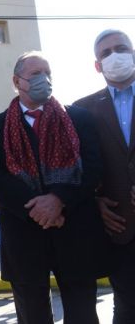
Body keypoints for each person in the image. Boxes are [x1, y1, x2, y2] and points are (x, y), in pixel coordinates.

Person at [0, 51, 107, 324]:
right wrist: (38, 207)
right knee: (32, 314)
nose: (43, 79)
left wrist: (59, 200)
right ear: (17, 81)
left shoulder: (79, 119)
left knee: (83, 313)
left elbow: (94, 168)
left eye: (47, 73)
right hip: (23, 234)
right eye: (36, 73)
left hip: (74, 230)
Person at [74, 29, 135, 324]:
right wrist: (95, 201)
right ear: (97, 65)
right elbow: (77, 168)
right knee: (126, 307)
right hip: (119, 226)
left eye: (121, 48)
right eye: (105, 53)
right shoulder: (81, 110)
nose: (114, 55)